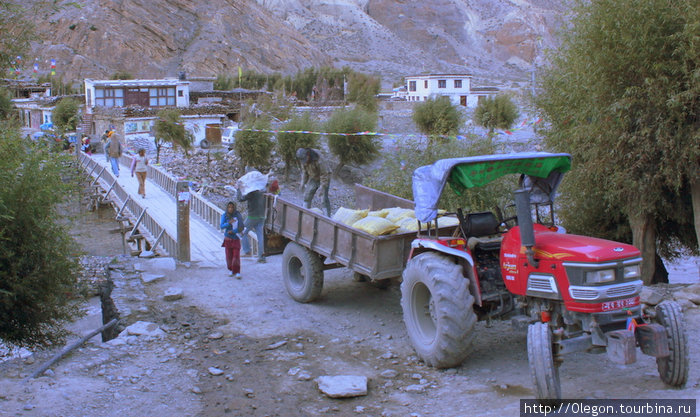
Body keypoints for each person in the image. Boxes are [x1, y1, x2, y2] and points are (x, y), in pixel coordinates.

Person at [237, 181, 266, 263]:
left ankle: (247, 251)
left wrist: (238, 189)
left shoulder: (251, 192)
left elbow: (240, 199)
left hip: (252, 217)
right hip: (262, 216)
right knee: (260, 236)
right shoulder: (261, 191)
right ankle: (262, 257)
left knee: (241, 231)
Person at [296, 147, 331, 216]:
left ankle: (327, 217)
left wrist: (322, 187)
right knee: (307, 195)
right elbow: (305, 172)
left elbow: (325, 173)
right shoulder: (303, 159)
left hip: (324, 177)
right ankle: (305, 213)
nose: (305, 161)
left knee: (323, 199)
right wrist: (303, 182)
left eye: (305, 159)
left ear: (308, 154)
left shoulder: (319, 159)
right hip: (314, 177)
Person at [220, 202, 244, 278]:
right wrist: (229, 223)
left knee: (236, 256)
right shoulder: (225, 215)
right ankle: (231, 270)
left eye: (232, 207)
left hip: (236, 238)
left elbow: (241, 227)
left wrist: (233, 231)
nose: (230, 209)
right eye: (229, 207)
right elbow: (221, 226)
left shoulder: (238, 215)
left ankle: (237, 271)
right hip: (228, 238)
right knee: (228, 256)